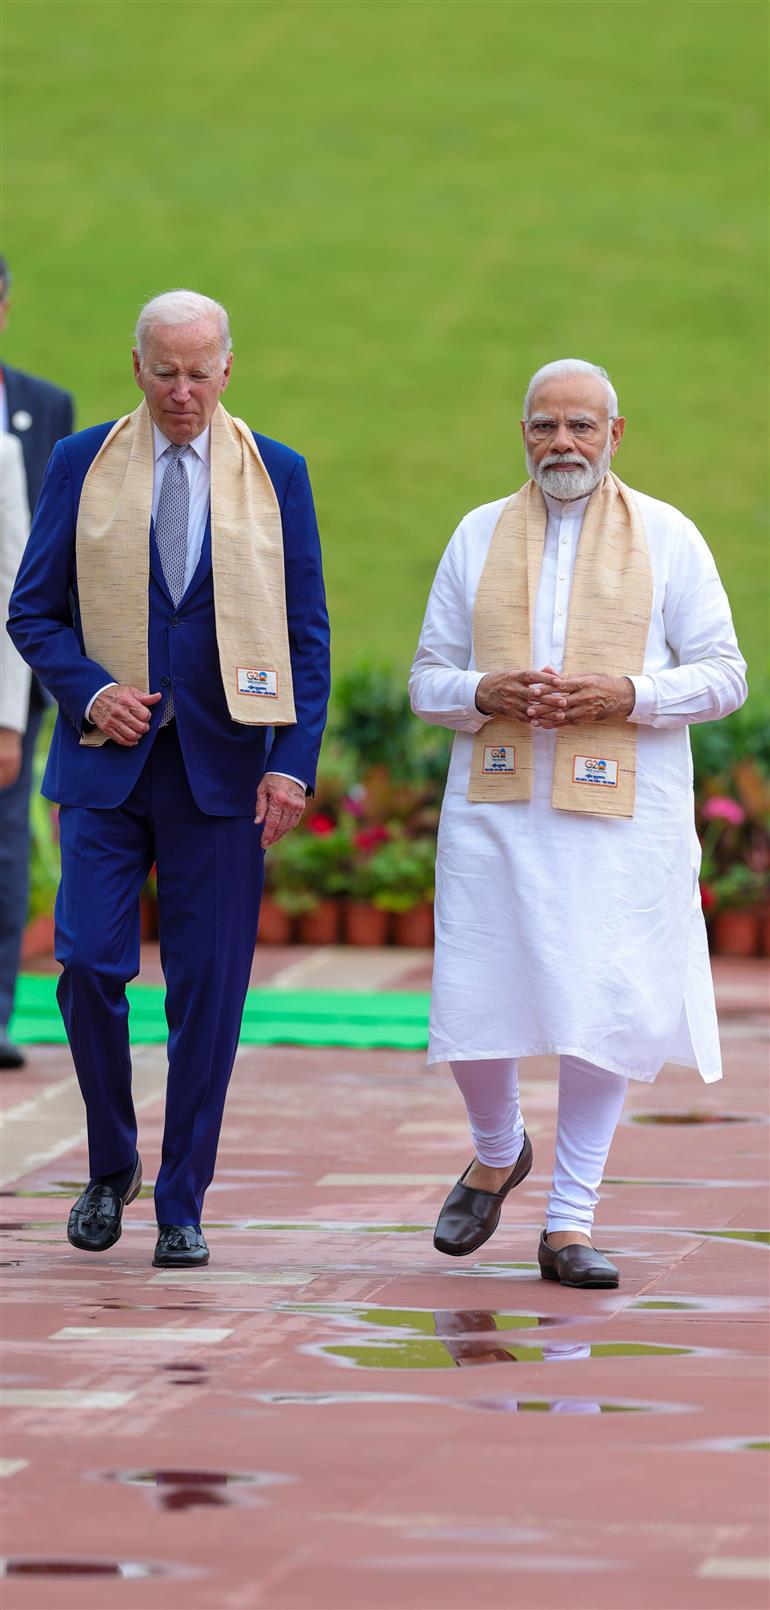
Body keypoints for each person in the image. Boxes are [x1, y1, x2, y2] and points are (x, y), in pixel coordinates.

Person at [8, 289, 330, 1267]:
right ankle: (113, 1162)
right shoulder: (81, 461)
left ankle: (182, 1199)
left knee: (210, 993)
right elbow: (33, 613)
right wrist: (91, 689)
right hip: (107, 770)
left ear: (228, 368)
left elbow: (306, 635)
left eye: (198, 373)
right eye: (163, 372)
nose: (181, 392)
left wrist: (291, 763)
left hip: (225, 776)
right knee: (87, 964)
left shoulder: (276, 472)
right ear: (136, 367)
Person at [409, 358, 747, 1289]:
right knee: (477, 989)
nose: (562, 444)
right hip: (498, 806)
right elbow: (427, 681)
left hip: (620, 815)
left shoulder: (670, 537)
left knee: (601, 1003)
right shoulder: (478, 535)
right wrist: (484, 689)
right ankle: (496, 1147)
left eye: (581, 427)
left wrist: (627, 693)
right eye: (544, 427)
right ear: (523, 434)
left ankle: (570, 1221)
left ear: (615, 433)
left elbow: (726, 674)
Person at [0, 253, 75, 1069]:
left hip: (7, 673)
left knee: (2, 844)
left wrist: (12, 705)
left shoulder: (38, 413)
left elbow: (27, 567)